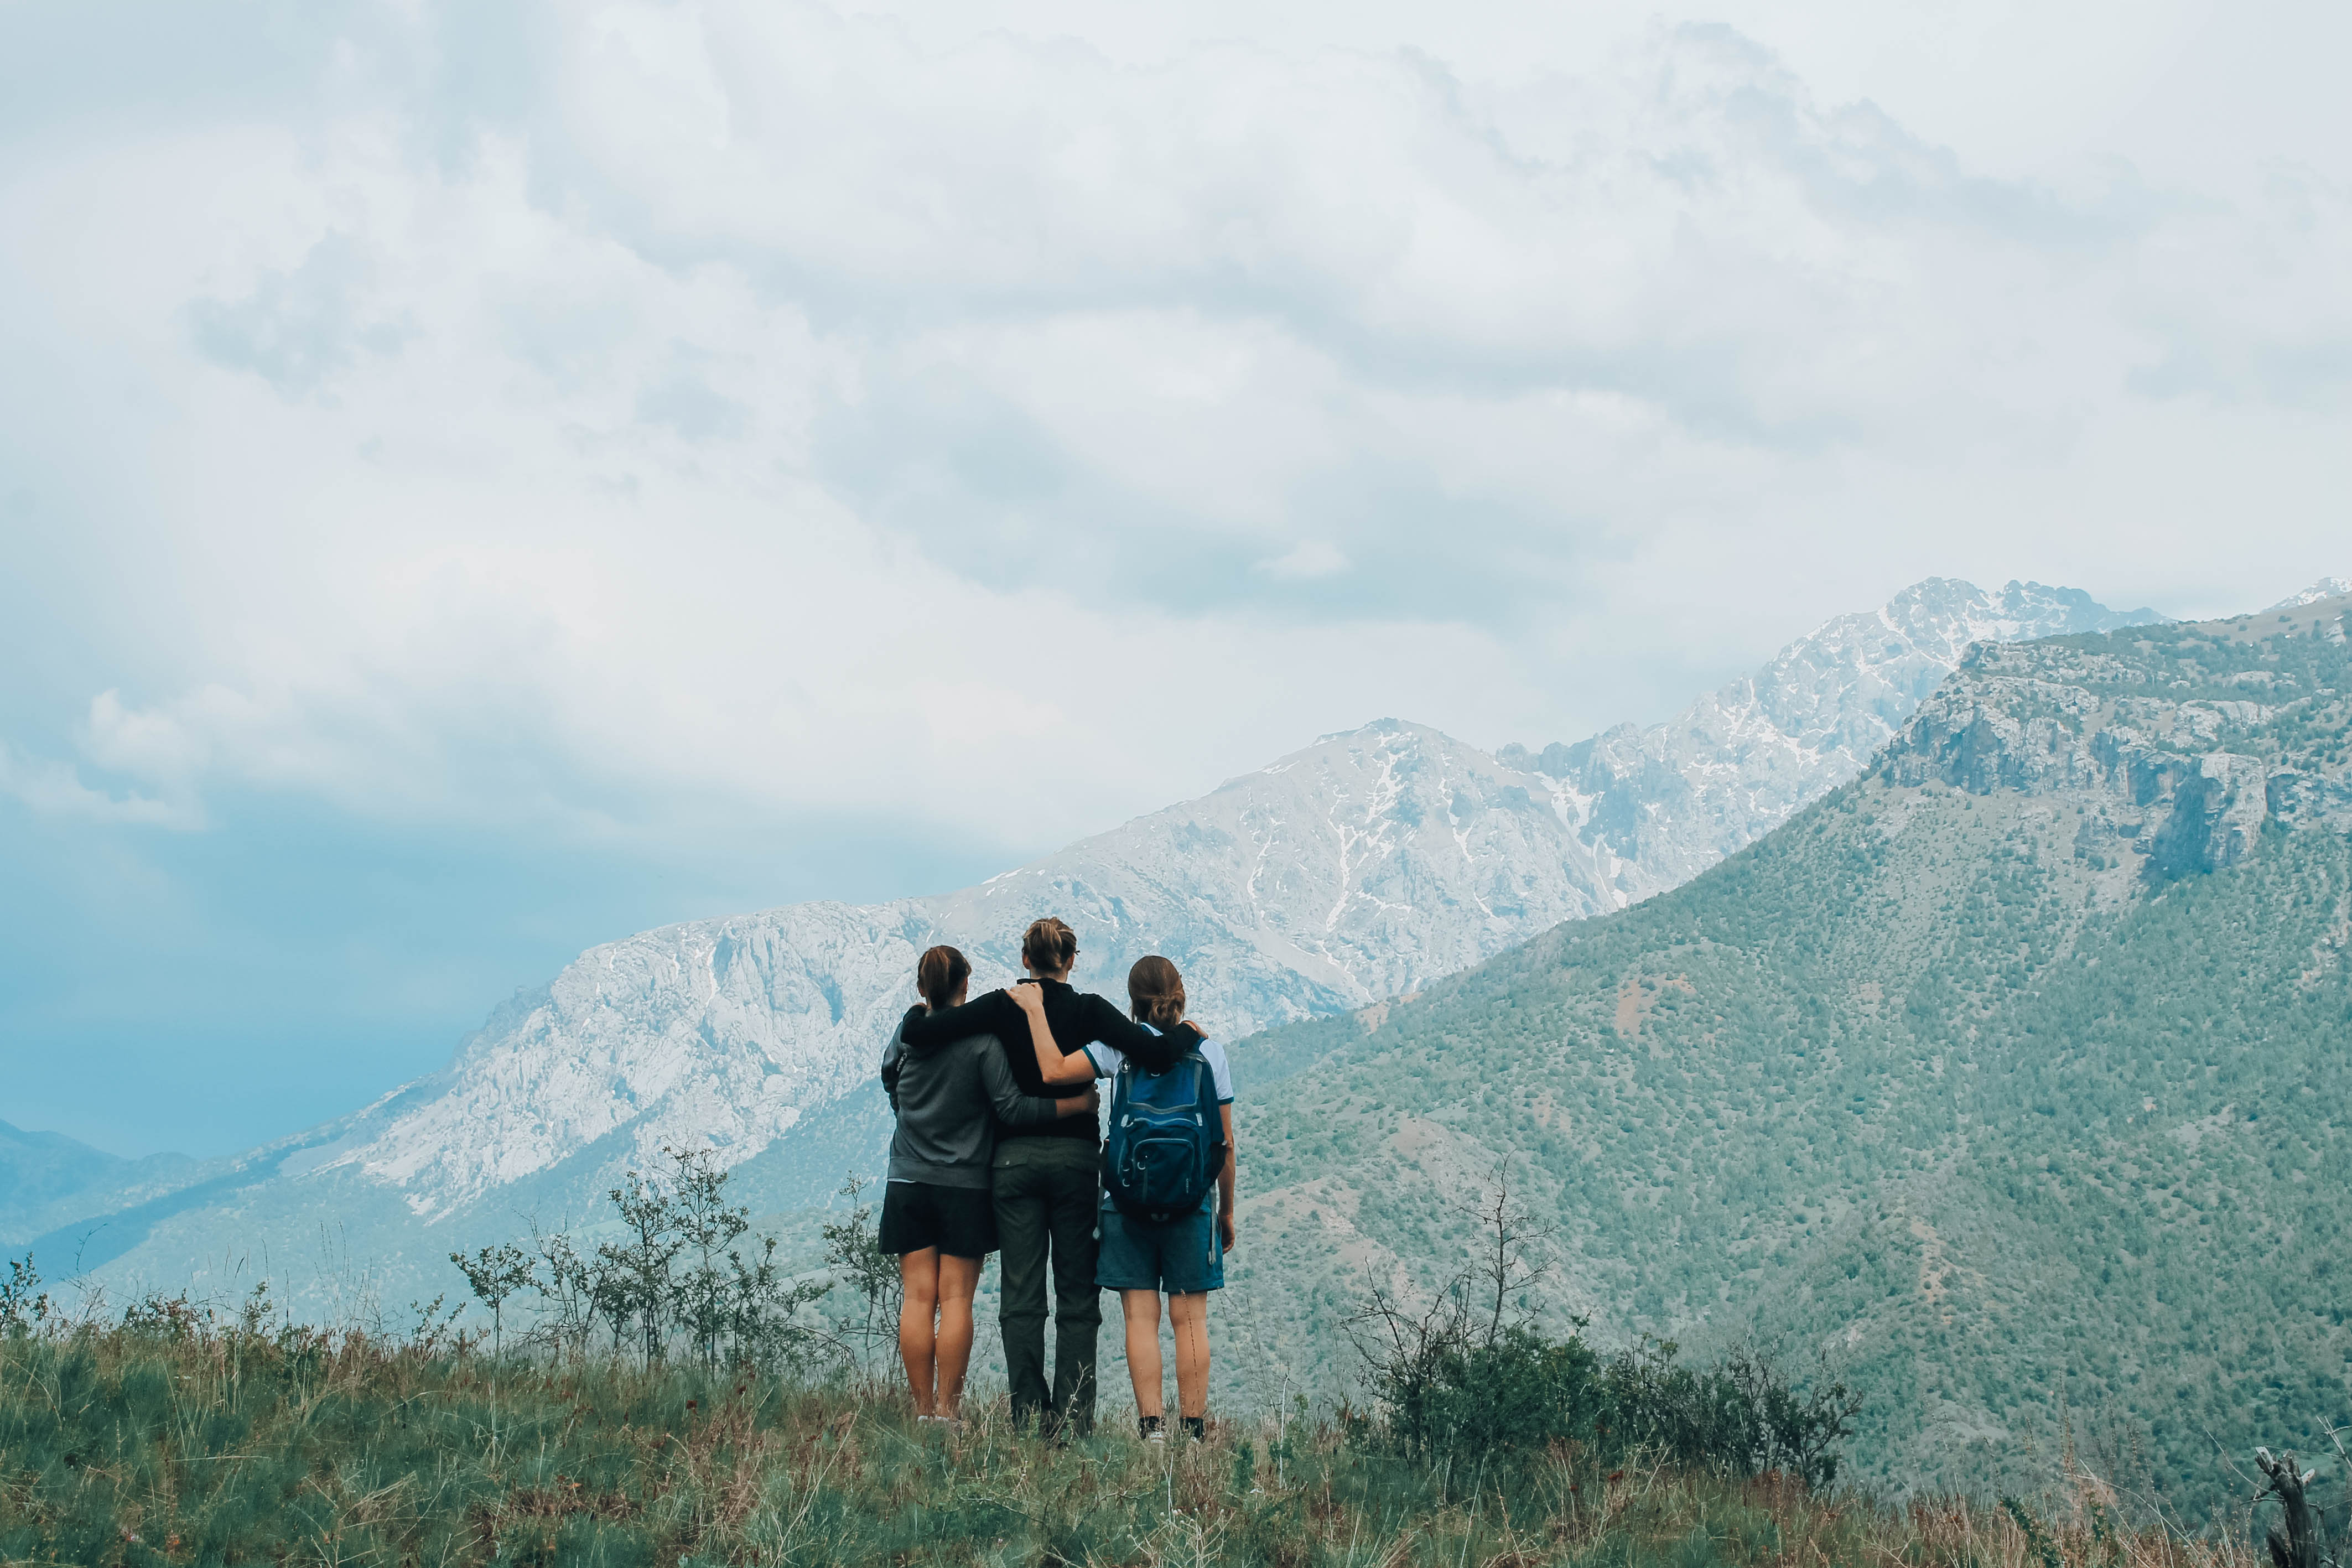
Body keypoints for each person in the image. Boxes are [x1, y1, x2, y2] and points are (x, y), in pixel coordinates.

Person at [894, 916, 1176, 1435]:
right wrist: (1186, 1035)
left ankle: (1027, 1417)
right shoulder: (1091, 1009)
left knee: (1021, 1297)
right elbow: (1155, 1052)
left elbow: (926, 1029)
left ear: (1026, 960)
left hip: (1011, 1165)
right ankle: (1071, 1421)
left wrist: (913, 1015)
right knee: (1076, 1296)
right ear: (1071, 960)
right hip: (1073, 1165)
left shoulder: (1003, 1005)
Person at [1007, 954, 1234, 1447]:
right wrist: (1226, 1210)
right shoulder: (1208, 1053)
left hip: (1127, 1202)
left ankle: (1151, 1431)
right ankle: (1193, 1435)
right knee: (1189, 1318)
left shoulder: (1116, 1050)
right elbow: (1225, 1144)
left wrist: (1032, 1010)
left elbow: (1052, 1070)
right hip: (1192, 1201)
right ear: (1180, 993)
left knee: (1140, 1318)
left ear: (1131, 1003)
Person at [880, 944, 1097, 1423]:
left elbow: (891, 1085)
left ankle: (920, 1411)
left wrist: (911, 1123)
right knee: (956, 1298)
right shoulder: (981, 1044)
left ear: (921, 989)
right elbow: (1013, 1109)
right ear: (965, 986)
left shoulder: (905, 1035)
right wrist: (1075, 1108)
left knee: (917, 1297)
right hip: (965, 1185)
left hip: (908, 1179)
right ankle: (948, 1413)